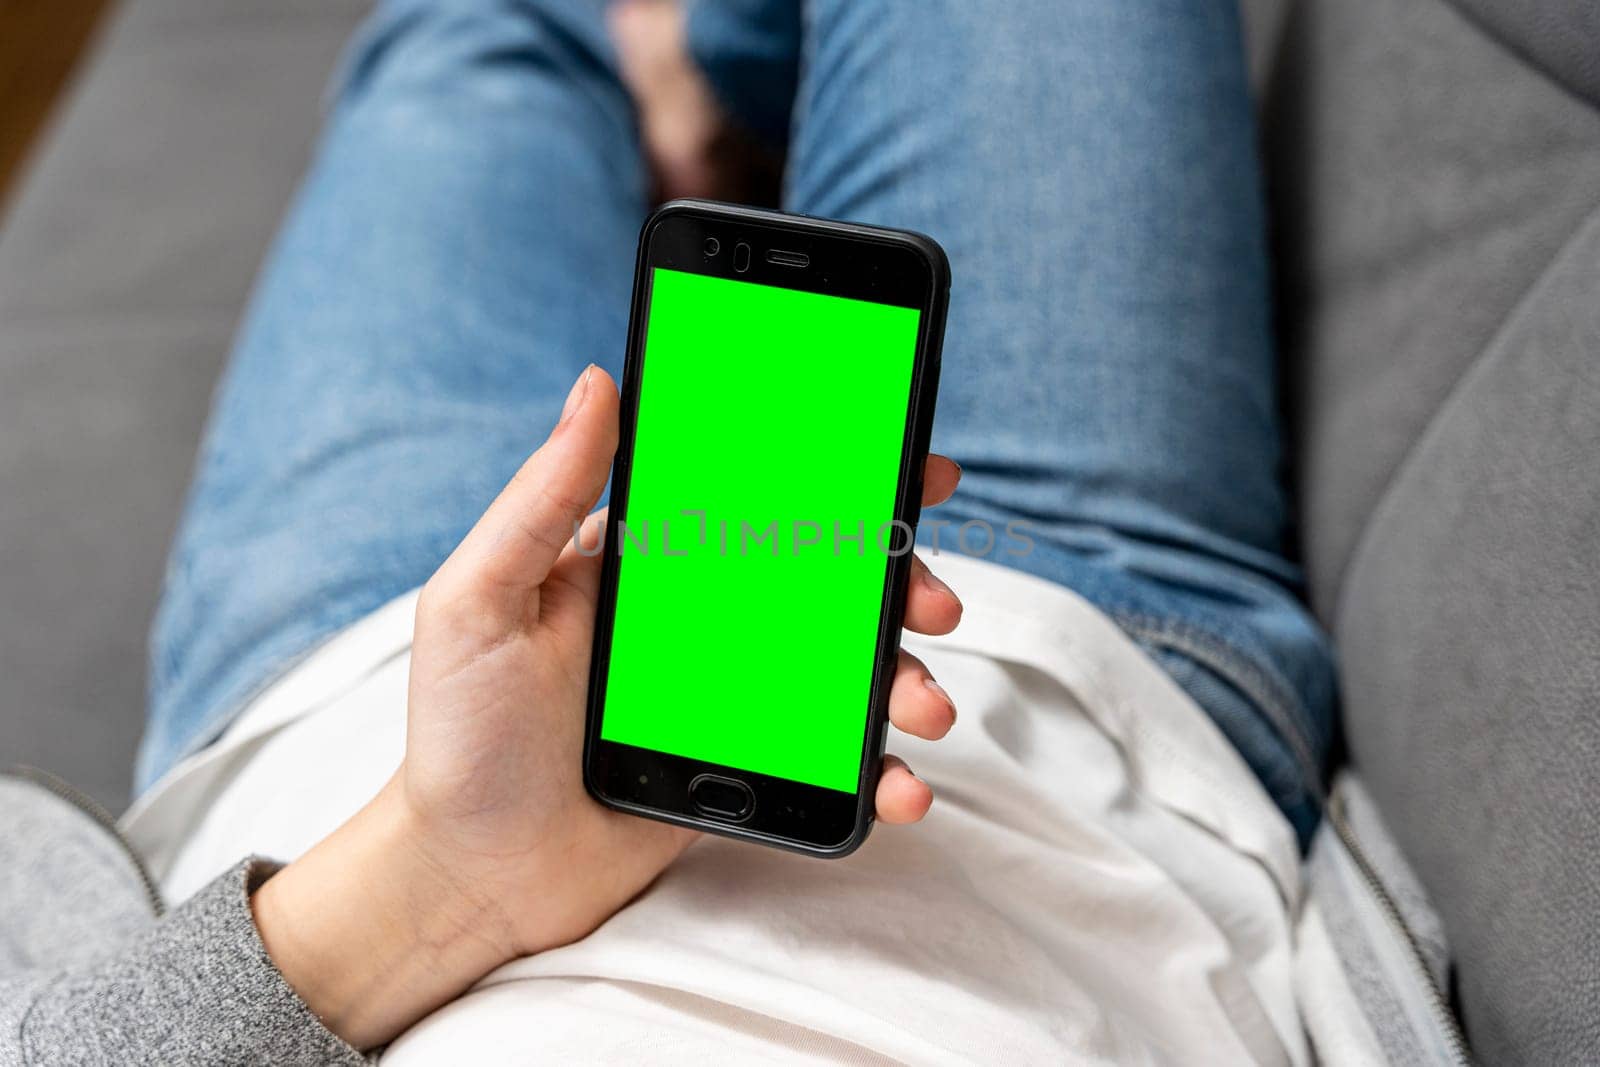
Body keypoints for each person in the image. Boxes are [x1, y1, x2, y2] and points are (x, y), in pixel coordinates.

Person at [0, 0, 1342, 1062]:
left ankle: (705, 52)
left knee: (477, 39)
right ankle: (718, 51)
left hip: (350, 727)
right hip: (1062, 683)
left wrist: (445, 880)